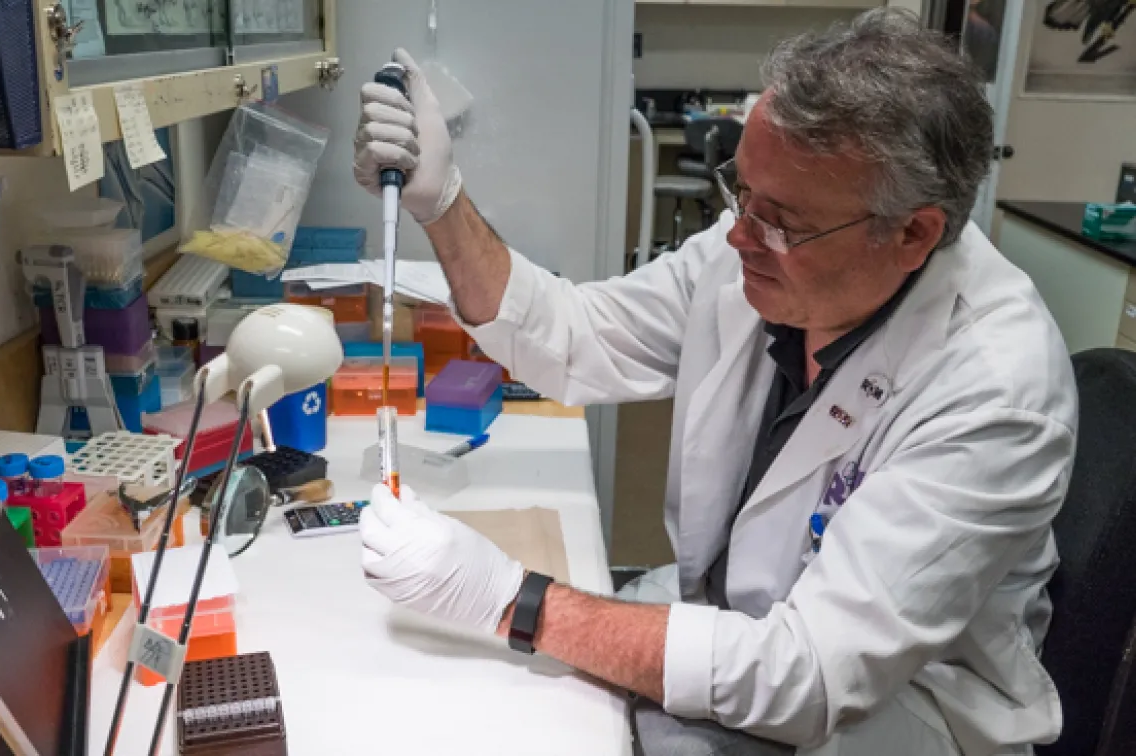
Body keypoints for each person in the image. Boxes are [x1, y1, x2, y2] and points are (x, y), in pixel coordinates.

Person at [351, 9, 1077, 756]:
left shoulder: (996, 391)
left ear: (913, 233)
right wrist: (442, 205)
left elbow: (809, 676)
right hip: (733, 623)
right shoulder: (758, 247)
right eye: (741, 192)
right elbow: (577, 336)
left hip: (891, 719)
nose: (738, 236)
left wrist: (510, 598)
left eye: (780, 221)